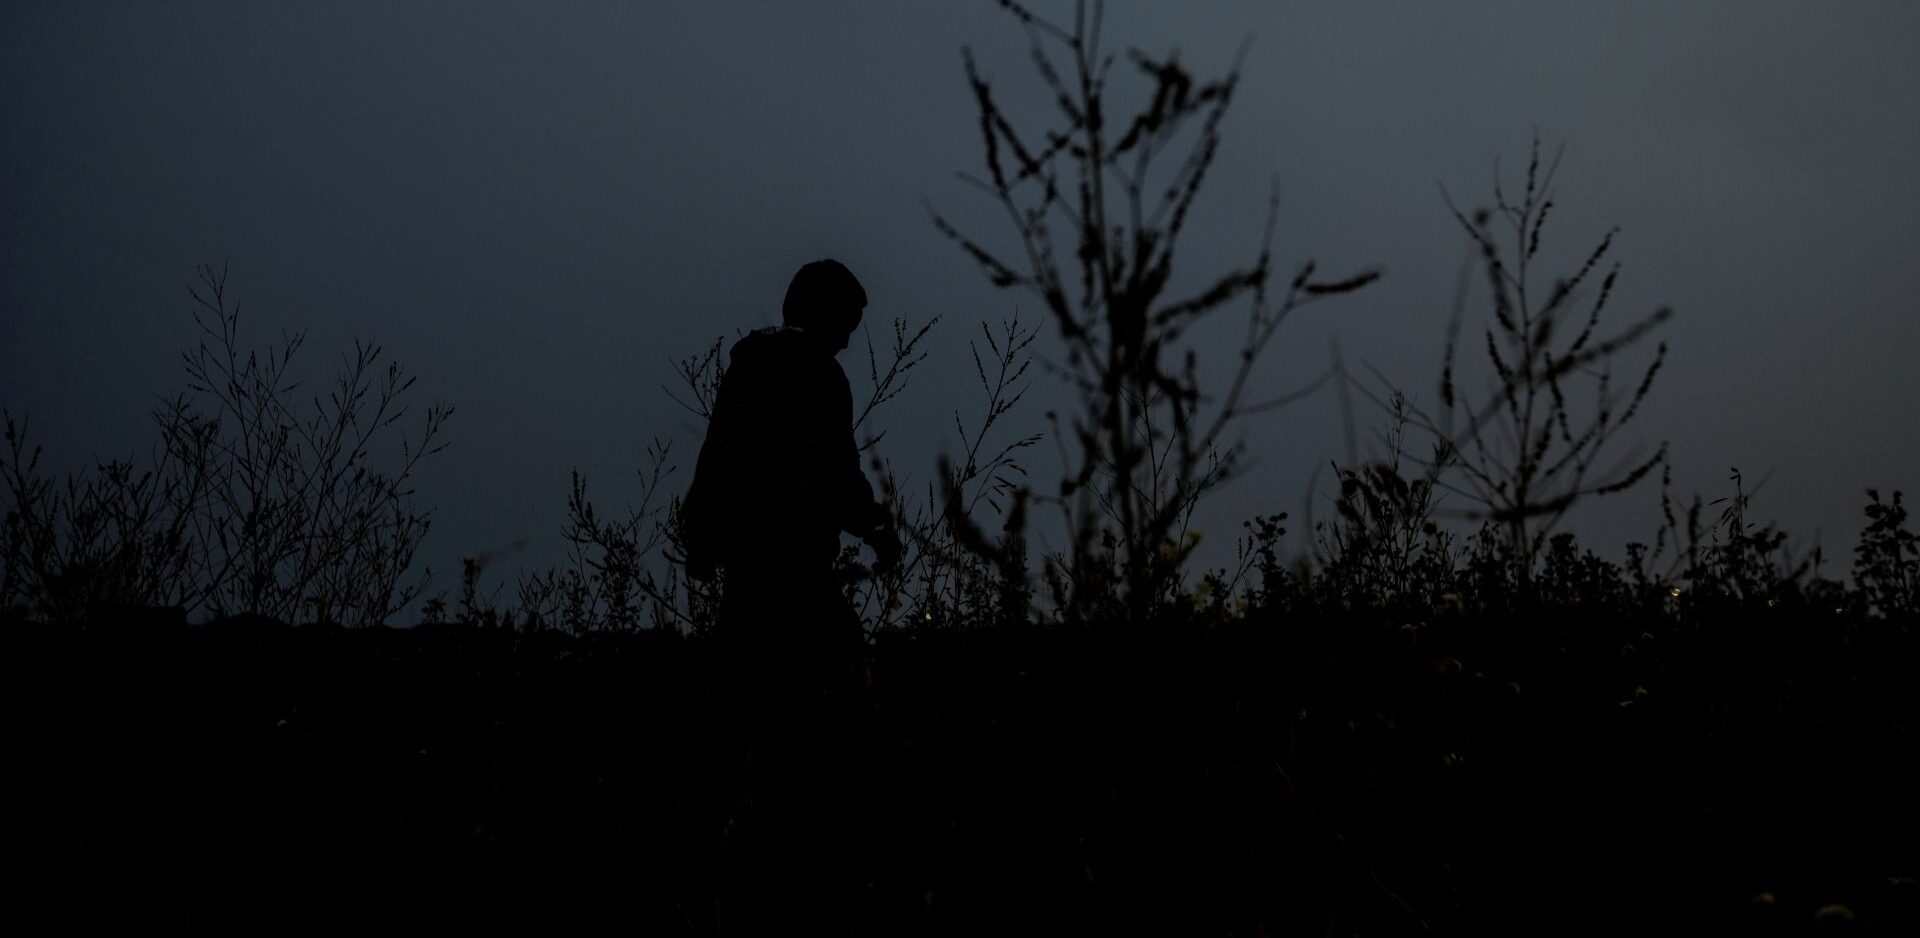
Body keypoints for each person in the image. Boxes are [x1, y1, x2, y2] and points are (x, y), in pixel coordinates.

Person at [682, 260, 901, 931]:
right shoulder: (817, 376)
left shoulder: (751, 367)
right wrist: (875, 526)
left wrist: (703, 535)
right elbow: (836, 469)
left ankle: (741, 844)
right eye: (849, 322)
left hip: (751, 567)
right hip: (795, 568)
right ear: (826, 309)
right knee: (837, 701)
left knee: (748, 702)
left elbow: (718, 456)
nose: (849, 338)